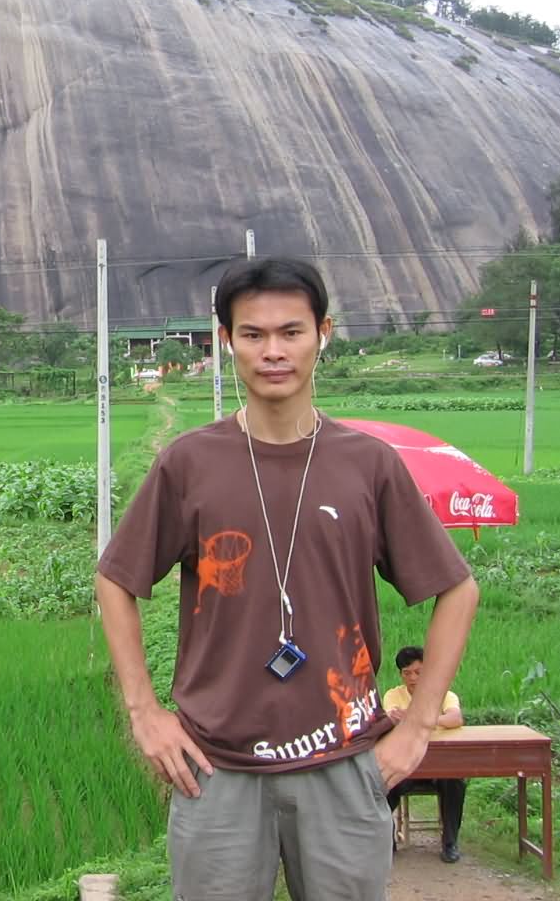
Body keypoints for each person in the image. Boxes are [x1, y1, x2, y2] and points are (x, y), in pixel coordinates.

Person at [95, 256, 479, 901]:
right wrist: (144, 712)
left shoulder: (368, 464)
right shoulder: (191, 463)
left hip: (341, 764)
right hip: (215, 768)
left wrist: (414, 729)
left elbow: (457, 588)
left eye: (291, 332)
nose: (273, 351)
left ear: (322, 333)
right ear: (227, 342)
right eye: (253, 334)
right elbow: (117, 579)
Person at [384, 646, 466, 863]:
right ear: (401, 674)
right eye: (407, 673)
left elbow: (455, 718)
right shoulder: (393, 695)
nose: (412, 678)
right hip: (406, 766)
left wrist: (419, 720)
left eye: (418, 672)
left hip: (439, 766)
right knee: (383, 782)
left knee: (455, 782)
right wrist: (436, 721)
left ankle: (450, 843)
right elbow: (392, 718)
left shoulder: (444, 694)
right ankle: (386, 840)